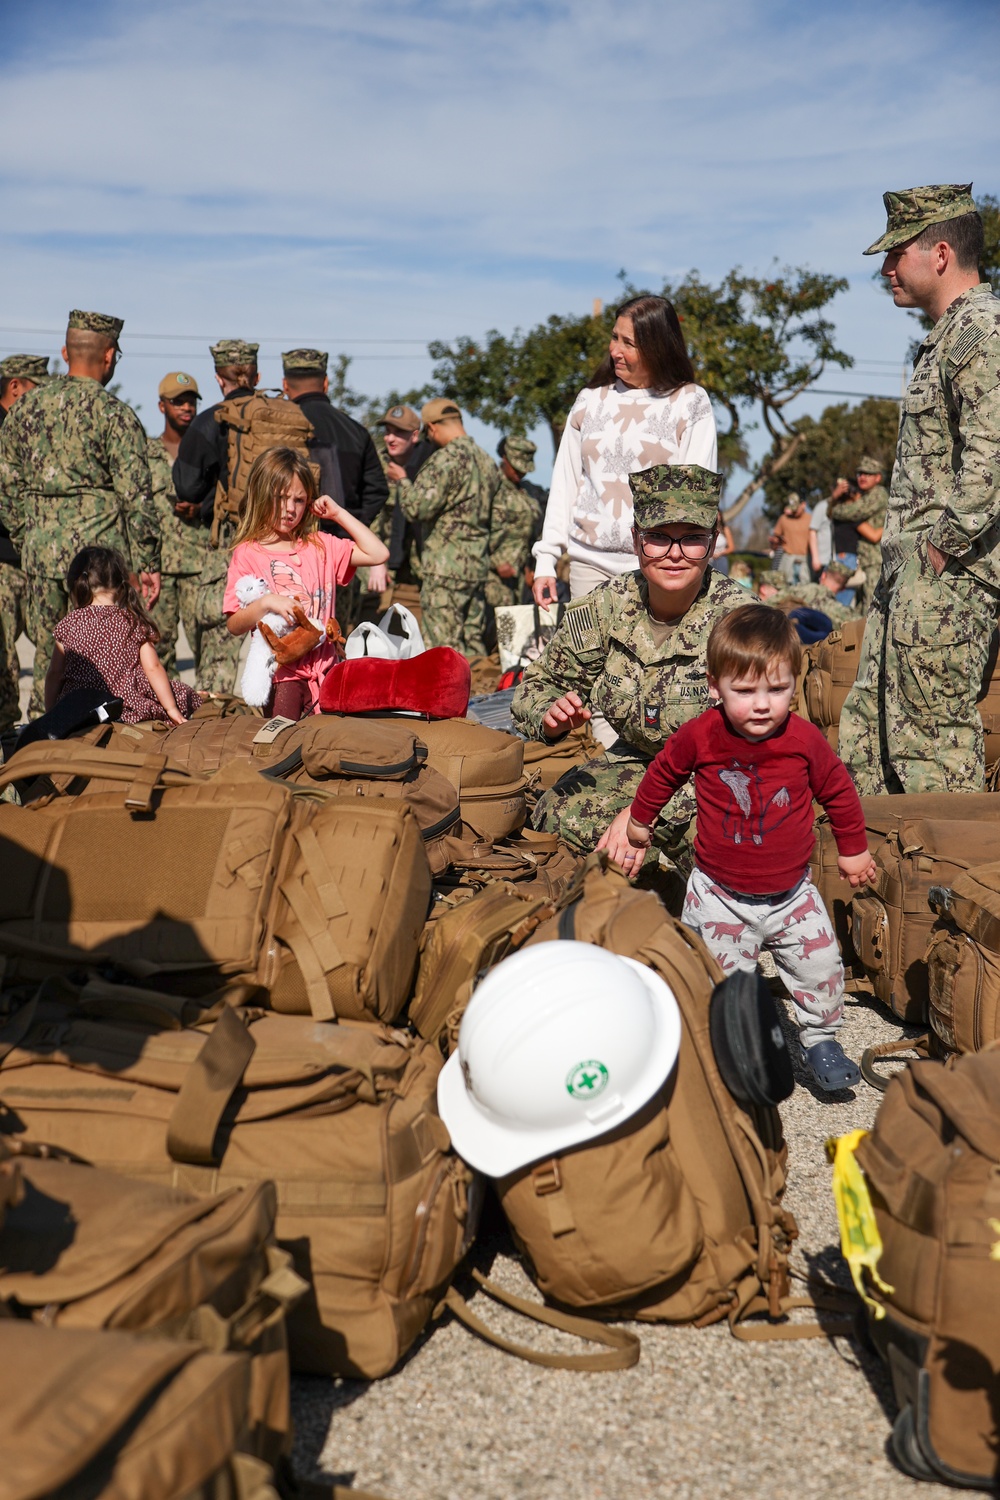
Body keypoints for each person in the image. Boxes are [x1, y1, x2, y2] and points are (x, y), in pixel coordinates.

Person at [621, 606, 875, 1092]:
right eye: (745, 691)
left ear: (795, 685)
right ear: (714, 686)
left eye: (777, 690)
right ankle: (730, 1044)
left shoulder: (804, 739)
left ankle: (821, 1038)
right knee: (720, 982)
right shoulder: (701, 734)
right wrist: (638, 821)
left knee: (821, 968)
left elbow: (839, 790)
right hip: (720, 895)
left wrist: (854, 850)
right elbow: (663, 774)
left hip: (793, 895)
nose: (762, 705)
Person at [511, 463, 754, 870]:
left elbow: (752, 749)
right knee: (554, 813)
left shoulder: (744, 622)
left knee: (721, 845)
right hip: (636, 761)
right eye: (658, 538)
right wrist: (549, 714)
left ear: (713, 544)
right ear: (636, 540)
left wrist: (641, 817)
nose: (674, 554)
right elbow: (539, 683)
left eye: (692, 539)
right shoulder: (607, 607)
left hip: (717, 779)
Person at [840, 183, 1000, 794]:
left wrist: (938, 552)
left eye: (895, 253)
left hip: (944, 584)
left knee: (931, 757)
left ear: (939, 254)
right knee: (872, 748)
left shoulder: (981, 330)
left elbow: (991, 460)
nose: (885, 268)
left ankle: (952, 888)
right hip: (912, 581)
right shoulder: (947, 336)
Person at [0, 310, 159, 717]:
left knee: (48, 661)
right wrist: (148, 563)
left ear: (64, 352)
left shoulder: (22, 412)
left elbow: (6, 490)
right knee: (107, 670)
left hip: (39, 560)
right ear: (108, 357)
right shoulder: (115, 415)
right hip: (99, 567)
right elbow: (137, 498)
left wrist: (30, 540)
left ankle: (39, 756)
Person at [531, 295, 717, 618]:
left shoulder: (691, 403)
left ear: (657, 346)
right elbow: (565, 484)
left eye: (628, 342)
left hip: (659, 574)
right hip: (588, 567)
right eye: (614, 337)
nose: (614, 350)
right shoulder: (590, 401)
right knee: (589, 667)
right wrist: (546, 559)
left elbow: (696, 502)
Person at [223, 446, 388, 720]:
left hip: (328, 674)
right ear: (262, 494)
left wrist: (337, 514)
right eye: (281, 498)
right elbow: (234, 624)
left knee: (329, 749)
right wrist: (265, 603)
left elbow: (378, 553)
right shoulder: (248, 553)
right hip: (282, 678)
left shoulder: (321, 546)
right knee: (283, 749)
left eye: (299, 500)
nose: (290, 509)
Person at [172, 338, 260, 694]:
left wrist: (211, 500)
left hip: (233, 543)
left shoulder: (210, 421)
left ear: (218, 379)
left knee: (221, 648)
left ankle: (214, 727)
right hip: (287, 543)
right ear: (257, 375)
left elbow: (187, 487)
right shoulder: (286, 417)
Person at [281, 349, 388, 634]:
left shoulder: (276, 428)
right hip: (339, 556)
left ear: (285, 385)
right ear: (326, 383)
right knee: (335, 638)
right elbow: (378, 490)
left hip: (283, 554)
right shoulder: (354, 431)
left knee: (282, 642)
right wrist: (345, 524)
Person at [46, 546, 200, 726]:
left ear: (76, 586)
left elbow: (54, 674)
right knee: (181, 691)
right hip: (127, 708)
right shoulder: (132, 621)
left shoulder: (68, 624)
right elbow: (154, 668)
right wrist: (171, 709)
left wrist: (50, 714)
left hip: (79, 709)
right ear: (120, 586)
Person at [400, 399, 498, 657]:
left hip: (445, 569)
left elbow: (416, 508)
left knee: (442, 651)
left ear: (431, 428)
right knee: (473, 645)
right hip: (477, 567)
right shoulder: (488, 462)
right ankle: (480, 695)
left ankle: (450, 698)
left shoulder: (445, 459)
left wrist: (402, 482)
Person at [148, 371, 210, 678]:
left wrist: (201, 507)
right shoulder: (146, 453)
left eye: (190, 402)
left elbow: (224, 497)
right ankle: (167, 713)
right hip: (158, 566)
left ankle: (209, 714)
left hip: (200, 563)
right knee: (159, 645)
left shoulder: (207, 451)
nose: (186, 408)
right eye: (177, 402)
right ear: (162, 406)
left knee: (206, 643)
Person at [0, 355, 50, 737]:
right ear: (15, 386)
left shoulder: (29, 431)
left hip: (32, 562)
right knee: (4, 660)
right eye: (37, 387)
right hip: (4, 562)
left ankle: (34, 739)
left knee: (50, 649)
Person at [487, 436, 541, 612]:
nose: (521, 474)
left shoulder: (527, 491)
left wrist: (529, 569)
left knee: (510, 635)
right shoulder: (490, 486)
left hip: (517, 582)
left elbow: (528, 535)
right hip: (490, 578)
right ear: (505, 459)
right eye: (516, 468)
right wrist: (495, 562)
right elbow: (473, 530)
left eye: (524, 470)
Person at [828, 457, 887, 614]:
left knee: (872, 607)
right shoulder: (865, 495)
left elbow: (855, 511)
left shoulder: (878, 493)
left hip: (875, 560)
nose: (862, 477)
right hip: (865, 560)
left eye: (868, 474)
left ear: (878, 477)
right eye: (860, 473)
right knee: (862, 608)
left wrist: (835, 509)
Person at [756, 562, 857, 626]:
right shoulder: (840, 611)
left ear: (823, 575)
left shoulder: (797, 590)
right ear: (843, 588)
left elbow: (766, 605)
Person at [769, 494, 811, 586]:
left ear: (803, 505)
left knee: (805, 587)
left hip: (805, 560)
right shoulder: (783, 518)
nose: (794, 511)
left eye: (796, 508)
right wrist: (774, 541)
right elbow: (776, 537)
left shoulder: (810, 519)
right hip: (788, 560)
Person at [808, 478, 843, 578]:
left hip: (842, 561)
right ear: (832, 489)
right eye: (838, 488)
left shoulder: (848, 506)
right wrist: (815, 558)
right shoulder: (822, 506)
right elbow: (812, 531)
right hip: (824, 560)